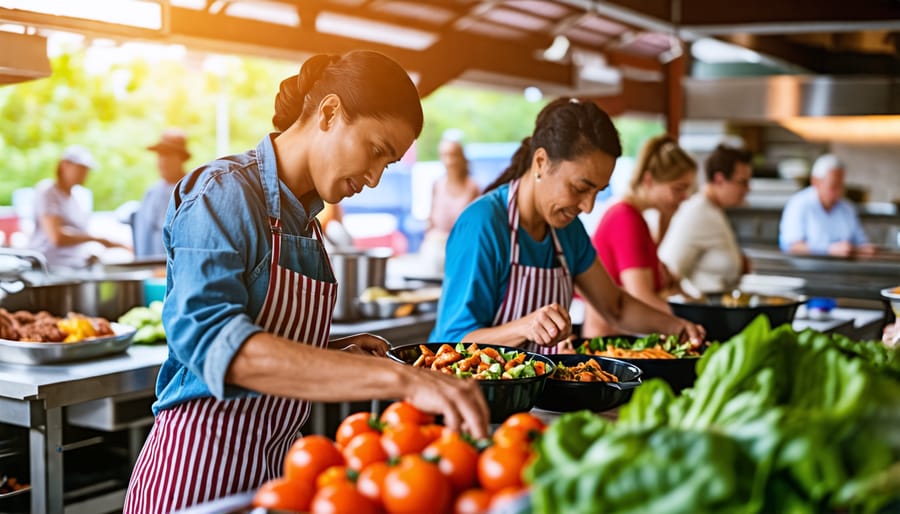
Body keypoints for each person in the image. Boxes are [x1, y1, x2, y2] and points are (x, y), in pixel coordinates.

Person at [123, 51, 489, 514]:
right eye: (376, 151)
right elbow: (213, 341)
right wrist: (397, 378)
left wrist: (336, 355)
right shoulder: (221, 192)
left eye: (389, 164)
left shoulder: (307, 223)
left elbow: (268, 342)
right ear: (330, 112)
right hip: (195, 480)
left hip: (276, 480)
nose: (375, 179)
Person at [430, 99, 704, 354]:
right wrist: (524, 327)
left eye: (598, 191)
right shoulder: (483, 225)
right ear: (541, 162)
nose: (588, 207)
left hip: (538, 398)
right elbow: (452, 341)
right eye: (579, 188)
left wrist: (675, 326)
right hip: (473, 399)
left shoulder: (565, 228)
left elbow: (616, 307)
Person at [582, 135, 697, 337]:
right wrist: (691, 322)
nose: (685, 197)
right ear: (648, 180)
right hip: (607, 339)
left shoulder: (636, 218)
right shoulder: (625, 218)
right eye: (677, 188)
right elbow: (641, 295)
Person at [658, 143, 753, 294]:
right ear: (719, 179)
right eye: (742, 182)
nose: (748, 189)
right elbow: (669, 273)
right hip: (701, 309)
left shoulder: (714, 210)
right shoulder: (696, 212)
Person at [27, 145, 129, 270]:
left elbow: (78, 233)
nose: (85, 174)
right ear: (65, 165)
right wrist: (97, 239)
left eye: (86, 170)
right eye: (81, 169)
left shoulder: (78, 197)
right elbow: (56, 237)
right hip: (49, 269)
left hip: (73, 266)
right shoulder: (48, 192)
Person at [779, 154, 874, 257]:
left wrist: (865, 249)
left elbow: (861, 242)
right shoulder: (798, 205)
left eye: (841, 186)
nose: (838, 192)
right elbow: (793, 247)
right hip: (805, 271)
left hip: (842, 270)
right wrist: (829, 249)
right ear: (815, 182)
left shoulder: (847, 208)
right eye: (833, 186)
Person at [419, 133, 481, 273]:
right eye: (445, 155)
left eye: (453, 155)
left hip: (461, 249)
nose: (449, 161)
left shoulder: (473, 188)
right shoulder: (437, 184)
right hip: (437, 249)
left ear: (462, 157)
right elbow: (431, 220)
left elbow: (476, 227)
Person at [133, 128, 191, 259]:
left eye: (169, 155)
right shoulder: (151, 193)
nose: (163, 161)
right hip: (150, 269)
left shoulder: (193, 191)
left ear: (181, 158)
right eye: (160, 155)